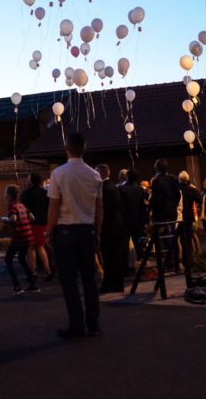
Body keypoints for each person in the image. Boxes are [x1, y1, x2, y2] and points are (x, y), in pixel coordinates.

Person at [46, 132, 102, 340]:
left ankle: (76, 326)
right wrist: (97, 230)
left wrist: (49, 230)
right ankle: (93, 324)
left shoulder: (59, 173)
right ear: (84, 148)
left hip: (66, 231)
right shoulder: (95, 175)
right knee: (89, 279)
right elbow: (99, 207)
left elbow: (53, 205)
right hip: (87, 230)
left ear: (66, 148)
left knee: (69, 281)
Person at [96, 164, 126, 293]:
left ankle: (108, 284)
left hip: (108, 226)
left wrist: (99, 227)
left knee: (108, 257)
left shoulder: (103, 189)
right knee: (116, 256)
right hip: (118, 224)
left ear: (101, 174)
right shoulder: (114, 186)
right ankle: (118, 283)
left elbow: (103, 209)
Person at [3, 185, 38, 295]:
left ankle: (17, 286)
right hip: (28, 235)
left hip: (19, 236)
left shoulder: (12, 206)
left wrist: (7, 220)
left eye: (5, 193)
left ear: (9, 195)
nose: (5, 195)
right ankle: (33, 284)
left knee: (8, 259)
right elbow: (32, 218)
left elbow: (13, 219)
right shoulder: (22, 205)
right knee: (22, 259)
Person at [20, 172, 53, 281]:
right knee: (41, 246)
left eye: (28, 178)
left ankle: (33, 272)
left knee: (31, 247)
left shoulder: (26, 193)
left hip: (31, 223)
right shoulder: (45, 192)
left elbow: (24, 208)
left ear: (31, 180)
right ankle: (48, 271)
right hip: (43, 222)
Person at [177, 172, 203, 267]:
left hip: (177, 217)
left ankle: (178, 261)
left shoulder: (176, 189)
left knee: (177, 240)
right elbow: (200, 200)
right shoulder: (191, 190)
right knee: (188, 240)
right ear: (187, 180)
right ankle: (189, 260)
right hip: (188, 217)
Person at [120, 169, 146, 261]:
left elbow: (121, 206)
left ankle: (128, 263)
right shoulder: (140, 189)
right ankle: (140, 259)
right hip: (138, 219)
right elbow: (142, 205)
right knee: (137, 241)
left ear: (127, 176)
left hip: (126, 220)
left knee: (125, 243)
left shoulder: (122, 189)